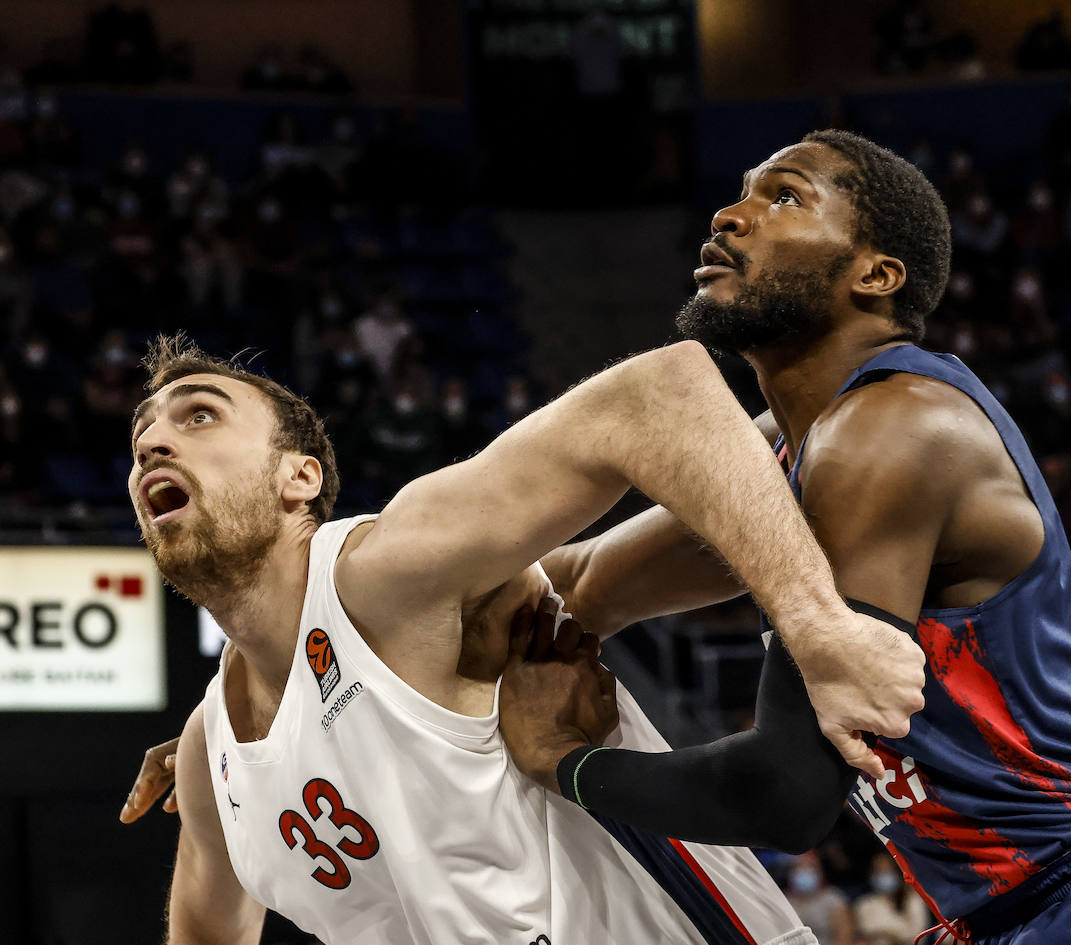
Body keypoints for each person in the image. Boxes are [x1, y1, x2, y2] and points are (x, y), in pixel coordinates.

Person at [496, 130, 1071, 943]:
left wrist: (564, 760)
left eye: (784, 196)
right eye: (742, 192)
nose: (731, 215)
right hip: (1023, 911)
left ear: (876, 275)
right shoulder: (794, 445)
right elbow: (582, 583)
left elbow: (787, 792)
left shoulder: (891, 430)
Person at [118, 331, 925, 944]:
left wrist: (815, 620)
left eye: (199, 416)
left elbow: (659, 392)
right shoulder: (207, 749)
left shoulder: (388, 572)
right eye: (142, 435)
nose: (155, 440)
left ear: (300, 477)